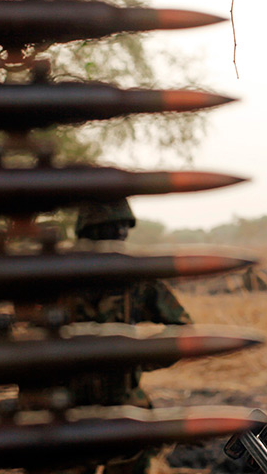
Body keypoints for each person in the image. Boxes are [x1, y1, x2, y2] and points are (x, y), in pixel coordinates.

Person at [72, 198, 192, 473]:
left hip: (123, 412)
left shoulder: (135, 279)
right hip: (64, 415)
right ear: (89, 230)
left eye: (124, 226)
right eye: (111, 227)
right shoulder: (55, 277)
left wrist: (138, 357)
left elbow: (184, 328)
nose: (121, 233)